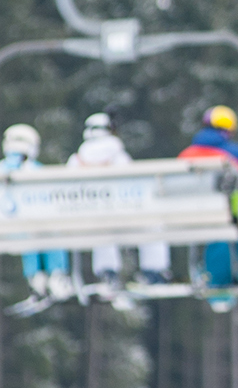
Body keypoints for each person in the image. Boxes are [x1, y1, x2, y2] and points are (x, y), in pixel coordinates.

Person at [179, 105, 238, 312]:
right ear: (229, 129)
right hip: (231, 213)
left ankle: (218, 286)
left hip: (194, 214)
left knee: (216, 239)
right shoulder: (234, 152)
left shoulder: (187, 154)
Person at [72, 111, 173, 287]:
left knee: (100, 226)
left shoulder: (76, 160)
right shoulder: (119, 157)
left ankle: (107, 272)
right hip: (125, 216)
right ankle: (153, 271)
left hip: (89, 219)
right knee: (152, 223)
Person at [0, 123, 72, 301]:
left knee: (30, 238)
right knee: (51, 234)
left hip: (7, 227)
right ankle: (56, 275)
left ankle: (36, 278)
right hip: (35, 225)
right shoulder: (35, 169)